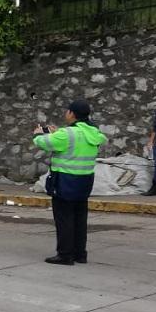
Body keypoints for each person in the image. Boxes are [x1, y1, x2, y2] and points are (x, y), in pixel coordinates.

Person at [33, 99, 107, 265]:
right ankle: (80, 254)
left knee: (64, 218)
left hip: (65, 181)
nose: (66, 113)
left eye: (67, 111)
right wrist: (57, 133)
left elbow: (44, 143)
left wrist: (39, 133)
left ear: (72, 114)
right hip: (84, 181)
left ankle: (65, 254)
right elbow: (78, 140)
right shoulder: (93, 132)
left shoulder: (66, 134)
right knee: (80, 219)